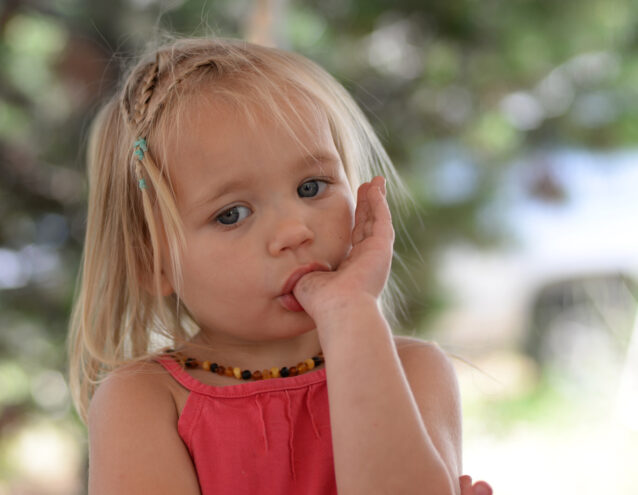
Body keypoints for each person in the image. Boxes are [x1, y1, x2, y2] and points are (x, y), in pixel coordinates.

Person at [68, 37, 493, 495]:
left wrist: (351, 314)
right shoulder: (143, 401)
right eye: (231, 214)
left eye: (312, 187)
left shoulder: (414, 372)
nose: (294, 231)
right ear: (153, 262)